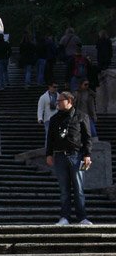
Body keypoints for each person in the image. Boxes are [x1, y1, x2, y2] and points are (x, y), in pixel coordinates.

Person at [46, 91, 93, 226]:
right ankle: (65, 217)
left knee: (78, 188)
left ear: (69, 101)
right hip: (60, 156)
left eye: (60, 101)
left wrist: (87, 155)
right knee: (64, 190)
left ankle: (82, 217)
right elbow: (50, 138)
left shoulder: (81, 116)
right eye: (58, 101)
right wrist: (49, 154)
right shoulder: (55, 119)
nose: (58, 103)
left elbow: (87, 138)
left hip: (76, 156)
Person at [37, 81, 59, 148]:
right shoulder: (43, 97)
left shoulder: (59, 96)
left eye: (57, 87)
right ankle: (47, 149)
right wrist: (40, 118)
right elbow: (40, 108)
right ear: (49, 87)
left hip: (57, 118)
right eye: (54, 87)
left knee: (57, 135)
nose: (56, 89)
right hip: (48, 119)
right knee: (48, 135)